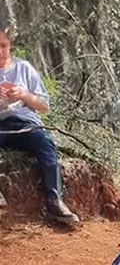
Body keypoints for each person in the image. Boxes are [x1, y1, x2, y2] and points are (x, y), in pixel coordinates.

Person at [0, 23, 79, 226]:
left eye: (3, 45)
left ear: (10, 46)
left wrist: (24, 94)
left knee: (45, 143)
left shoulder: (23, 68)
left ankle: (55, 201)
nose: (0, 51)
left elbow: (44, 106)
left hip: (27, 124)